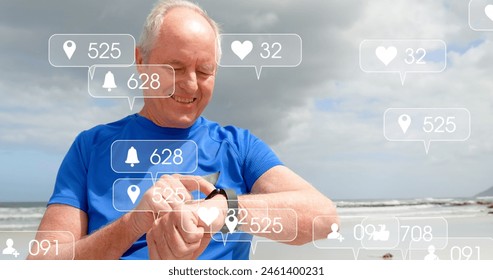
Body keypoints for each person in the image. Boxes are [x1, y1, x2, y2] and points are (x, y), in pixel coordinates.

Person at [30, 0, 339, 260]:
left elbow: (323, 217)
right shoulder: (90, 147)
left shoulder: (238, 146)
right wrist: (132, 225)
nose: (190, 84)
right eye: (175, 68)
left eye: (204, 71)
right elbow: (40, 265)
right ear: (142, 61)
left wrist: (223, 209)